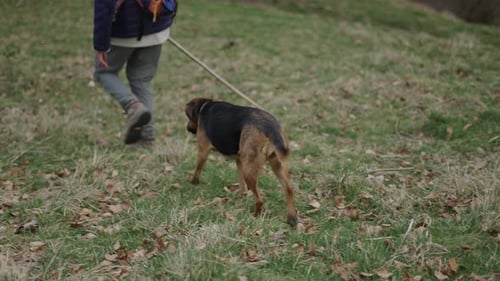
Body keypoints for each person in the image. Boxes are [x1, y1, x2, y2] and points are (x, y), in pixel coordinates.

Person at [93, 0, 177, 146]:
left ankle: (133, 106)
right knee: (141, 79)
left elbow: (105, 6)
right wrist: (165, 24)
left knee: (104, 73)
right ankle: (146, 137)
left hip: (123, 33)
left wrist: (101, 45)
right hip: (156, 28)